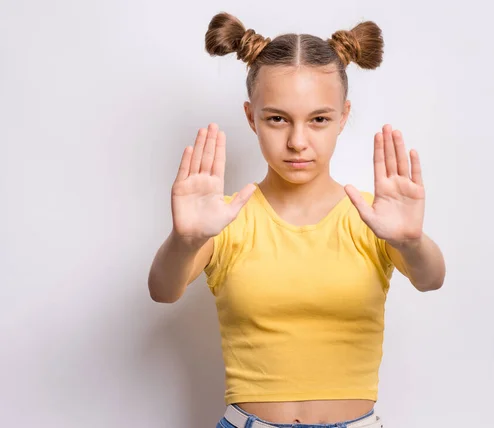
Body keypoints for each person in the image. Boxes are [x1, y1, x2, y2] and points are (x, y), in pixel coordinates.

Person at [148, 11, 446, 428]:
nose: (298, 141)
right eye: (277, 118)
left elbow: (431, 278)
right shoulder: (226, 217)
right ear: (252, 117)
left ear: (343, 117)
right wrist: (185, 238)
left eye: (319, 119)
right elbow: (163, 290)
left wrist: (411, 242)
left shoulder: (373, 217)